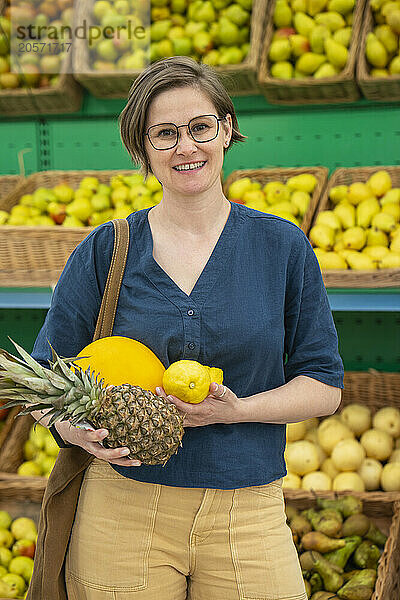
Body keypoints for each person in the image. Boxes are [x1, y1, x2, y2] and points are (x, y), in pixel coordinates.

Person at [29, 56, 344, 600]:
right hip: (122, 507)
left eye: (199, 127)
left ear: (225, 129)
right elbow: (41, 381)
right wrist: (73, 431)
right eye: (165, 134)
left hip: (247, 509)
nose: (185, 146)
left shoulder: (282, 247)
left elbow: (324, 385)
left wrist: (239, 409)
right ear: (143, 149)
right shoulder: (106, 251)